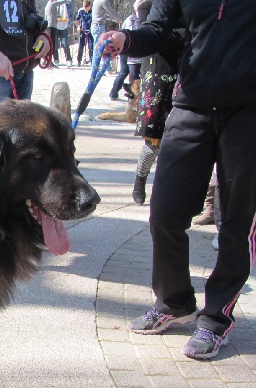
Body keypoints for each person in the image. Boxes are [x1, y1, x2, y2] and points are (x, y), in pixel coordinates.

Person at [101, 0, 256, 360]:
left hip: (248, 111)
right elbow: (157, 30)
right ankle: (174, 302)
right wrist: (125, 38)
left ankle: (216, 317)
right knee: (164, 213)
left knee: (236, 221)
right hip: (191, 104)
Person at [130, 0, 184, 205]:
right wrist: (187, 36)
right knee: (154, 142)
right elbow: (152, 37)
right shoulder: (147, 7)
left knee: (180, 141)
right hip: (158, 76)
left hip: (184, 75)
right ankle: (139, 180)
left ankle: (170, 189)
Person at [44, 0, 66, 67]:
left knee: (49, 45)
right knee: (51, 45)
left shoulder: (47, 5)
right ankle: (48, 61)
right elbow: (61, 2)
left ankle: (46, 61)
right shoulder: (52, 4)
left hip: (49, 26)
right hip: (52, 27)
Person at [55, 1, 73, 66]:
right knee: (55, 44)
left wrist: (68, 21)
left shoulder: (69, 4)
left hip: (64, 27)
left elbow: (71, 16)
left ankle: (68, 59)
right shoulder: (55, 3)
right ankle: (56, 59)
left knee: (65, 43)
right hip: (55, 26)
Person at [75, 1, 93, 66]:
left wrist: (92, 28)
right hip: (83, 30)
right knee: (81, 46)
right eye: (84, 7)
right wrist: (78, 26)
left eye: (86, 7)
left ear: (89, 6)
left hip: (90, 30)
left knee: (91, 46)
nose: (85, 9)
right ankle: (79, 61)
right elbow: (78, 19)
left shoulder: (93, 11)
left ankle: (92, 60)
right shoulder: (81, 11)